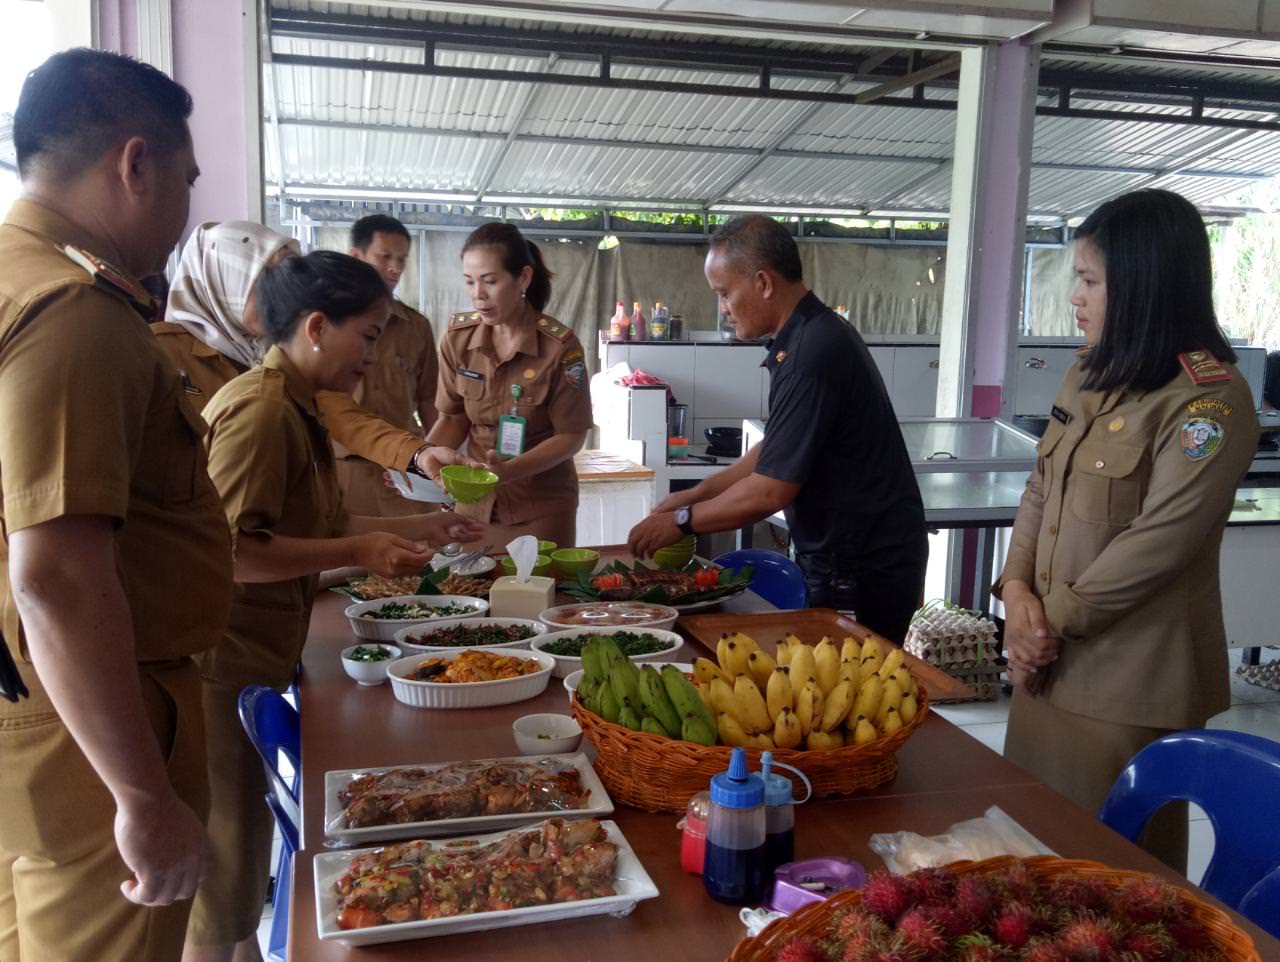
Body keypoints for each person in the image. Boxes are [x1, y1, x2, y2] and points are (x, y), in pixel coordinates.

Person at [183, 251, 482, 962]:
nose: (374, 357)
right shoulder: (261, 414)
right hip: (220, 667)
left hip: (253, 657)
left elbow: (311, 526)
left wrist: (419, 530)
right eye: (369, 337)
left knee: (235, 865)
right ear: (317, 326)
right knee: (223, 882)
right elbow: (231, 553)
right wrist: (362, 554)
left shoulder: (295, 404)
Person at [0, 49, 233, 962]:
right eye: (185, 176)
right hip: (98, 733)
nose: (186, 207)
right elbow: (55, 573)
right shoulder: (73, 310)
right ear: (136, 164)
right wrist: (141, 796)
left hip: (34, 714)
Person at [997, 188, 1259, 873]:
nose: (1074, 299)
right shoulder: (1088, 372)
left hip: (1127, 684)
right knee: (1025, 853)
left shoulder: (1208, 398)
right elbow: (1040, 485)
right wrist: (1016, 592)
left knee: (1112, 879)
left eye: (1088, 281)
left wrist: (1045, 622)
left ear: (1143, 284)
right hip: (1046, 669)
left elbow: (1160, 542)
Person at [627, 215, 927, 645]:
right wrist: (696, 494)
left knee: (852, 697)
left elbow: (770, 492)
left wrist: (683, 521)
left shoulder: (813, 351)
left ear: (764, 283)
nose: (723, 309)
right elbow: (776, 449)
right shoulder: (808, 336)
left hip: (864, 566)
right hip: (850, 556)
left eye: (725, 294)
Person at [153, 221, 437, 487]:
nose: (285, 293)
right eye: (268, 281)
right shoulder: (158, 353)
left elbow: (345, 416)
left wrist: (417, 454)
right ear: (226, 280)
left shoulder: (281, 354)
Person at [420, 223, 593, 547]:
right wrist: (417, 461)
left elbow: (571, 436)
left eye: (490, 281)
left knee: (537, 591)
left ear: (523, 278)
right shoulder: (458, 340)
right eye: (469, 282)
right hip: (474, 504)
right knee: (469, 591)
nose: (478, 294)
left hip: (540, 506)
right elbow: (452, 418)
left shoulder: (560, 347)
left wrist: (509, 471)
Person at [339, 214, 440, 516]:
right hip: (346, 472)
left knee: (418, 555)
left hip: (404, 472)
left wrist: (433, 457)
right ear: (356, 257)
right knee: (347, 557)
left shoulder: (417, 326)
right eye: (384, 257)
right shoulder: (331, 324)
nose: (395, 268)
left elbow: (428, 400)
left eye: (402, 259)